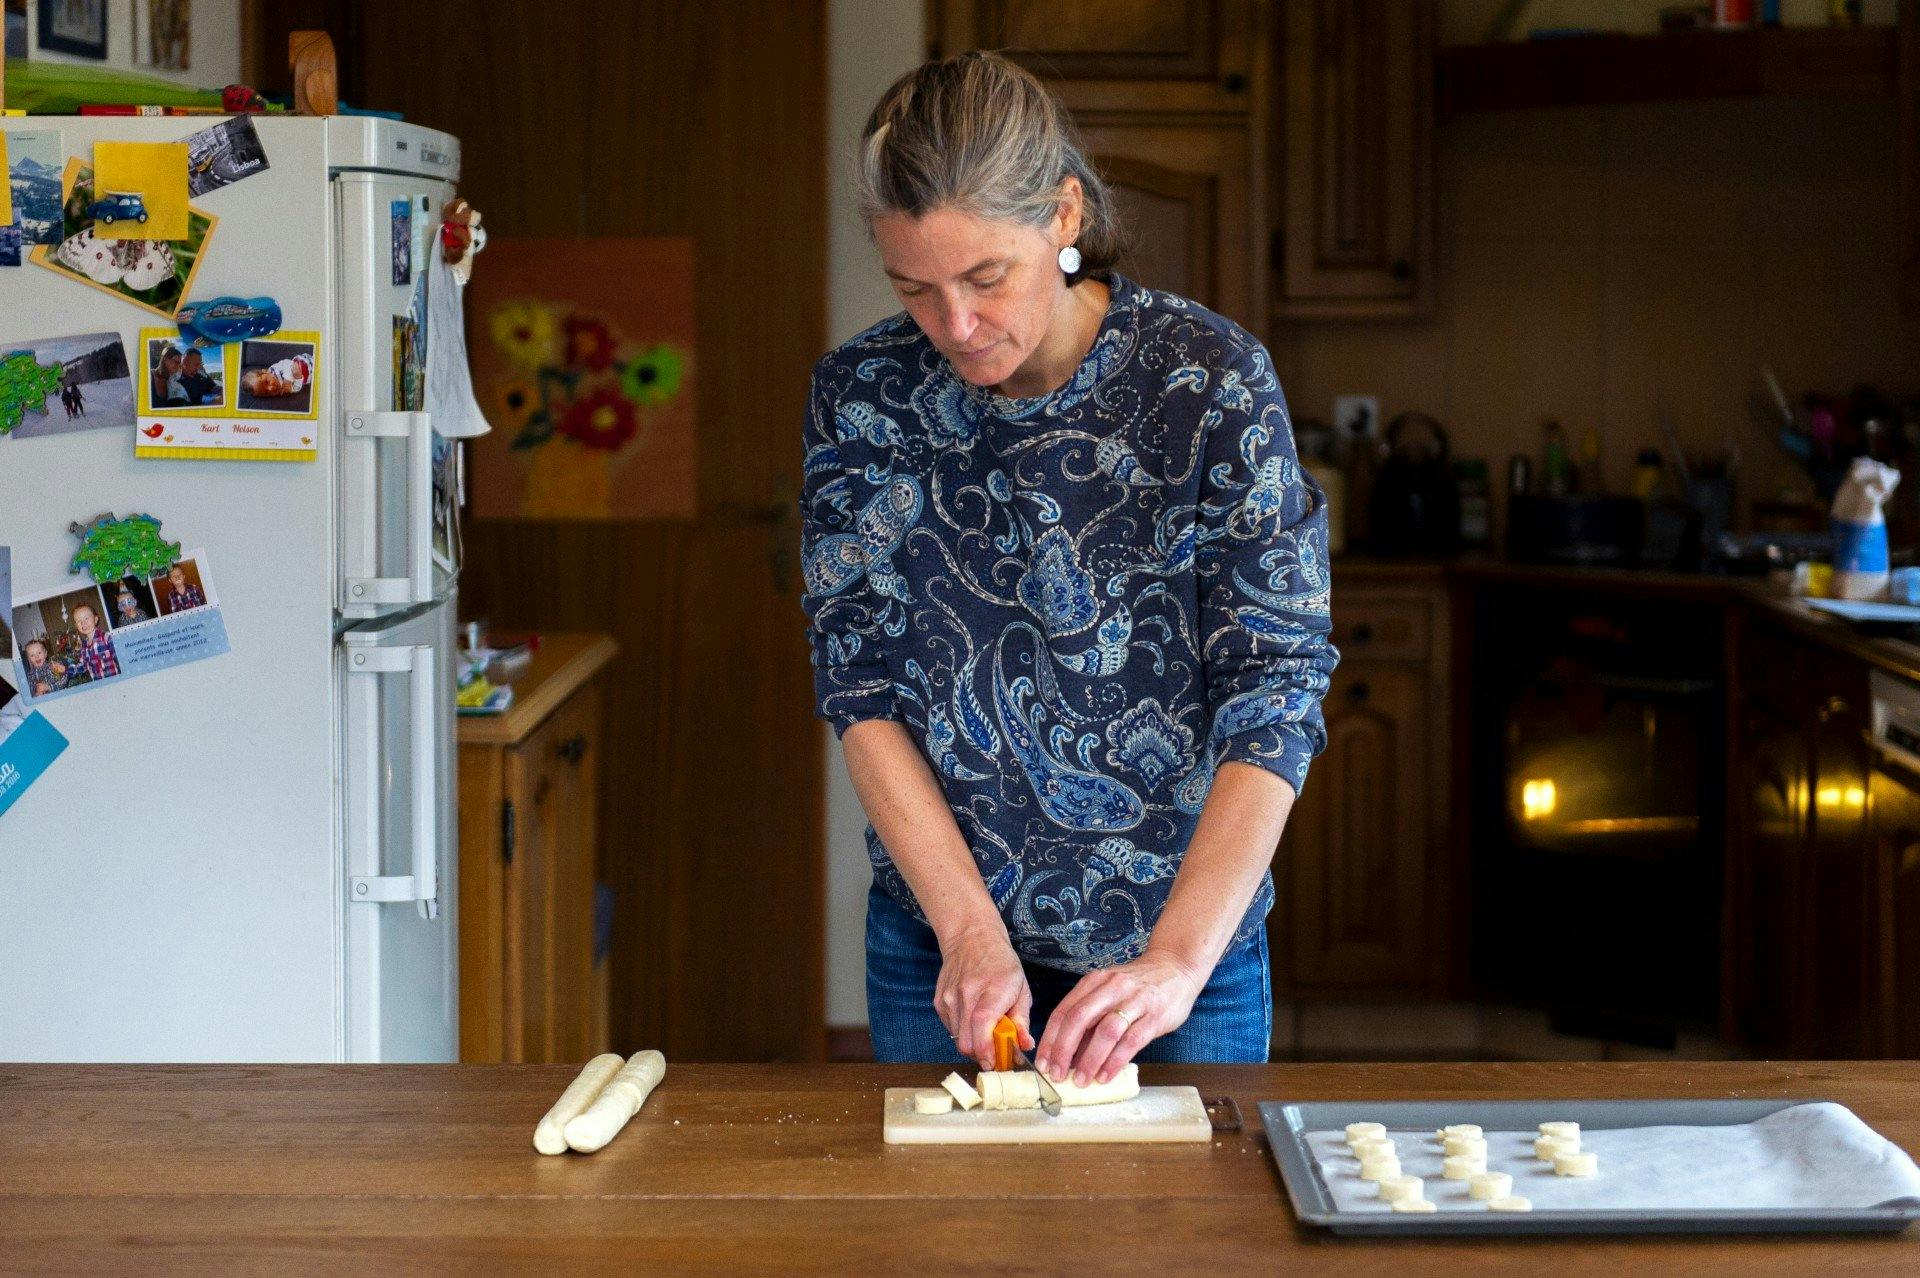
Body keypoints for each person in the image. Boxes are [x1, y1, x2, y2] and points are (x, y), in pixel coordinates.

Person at [802, 53, 1335, 1084]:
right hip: (941, 950)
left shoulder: (1209, 382)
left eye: (984, 278)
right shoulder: (861, 395)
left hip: (1177, 956)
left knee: (1176, 1242)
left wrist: (1177, 960)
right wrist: (966, 934)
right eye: (916, 288)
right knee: (952, 1245)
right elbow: (859, 686)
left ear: (1063, 216)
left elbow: (1275, 689)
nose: (954, 326)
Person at [69, 603, 119, 681]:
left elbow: (120, 659)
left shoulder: (107, 638)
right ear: (76, 626)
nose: (83, 623)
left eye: (86, 618)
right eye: (79, 621)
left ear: (95, 619)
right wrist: (66, 669)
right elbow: (83, 666)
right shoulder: (83, 646)